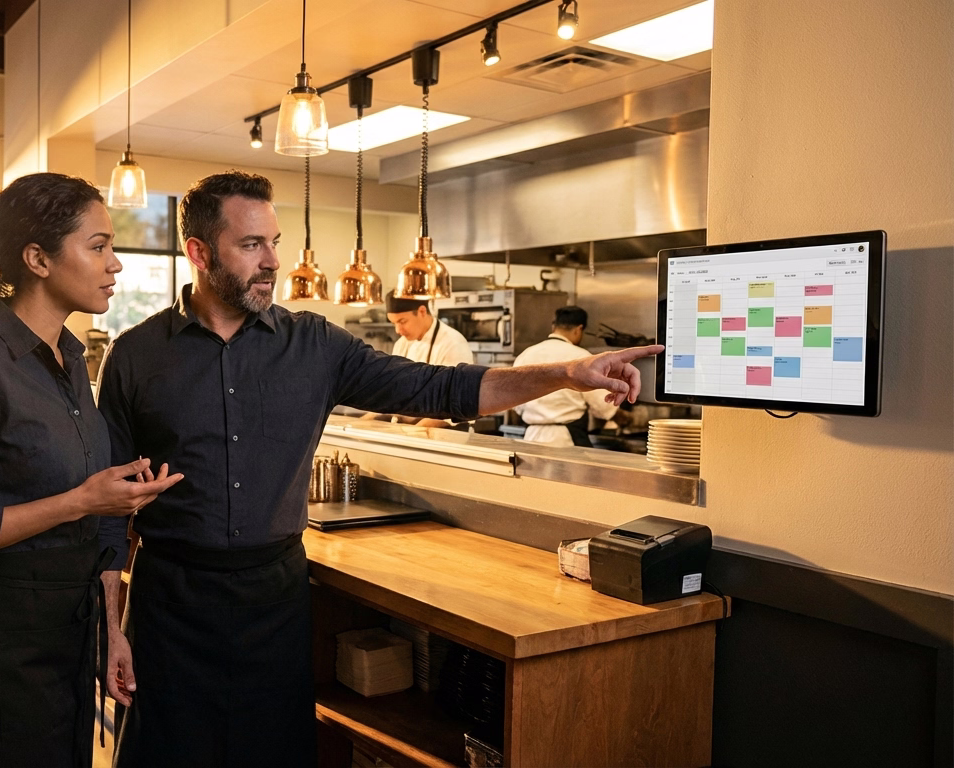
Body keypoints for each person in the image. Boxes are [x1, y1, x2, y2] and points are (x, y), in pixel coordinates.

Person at [95, 171, 659, 768]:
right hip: (171, 605)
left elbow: (437, 387)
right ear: (199, 253)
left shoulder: (315, 346)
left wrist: (565, 374)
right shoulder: (135, 355)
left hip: (275, 601)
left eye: (275, 242)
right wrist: (111, 629)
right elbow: (105, 518)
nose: (272, 262)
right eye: (252, 245)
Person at [0, 172, 182, 768]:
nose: (116, 265)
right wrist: (81, 501)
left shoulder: (73, 359)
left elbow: (92, 516)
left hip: (69, 636)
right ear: (37, 258)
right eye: (99, 246)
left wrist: (110, 631)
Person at [512, 305, 631, 447]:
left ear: (553, 327)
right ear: (578, 329)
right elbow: (602, 404)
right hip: (566, 440)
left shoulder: (526, 355)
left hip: (531, 437)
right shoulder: (580, 357)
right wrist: (625, 418)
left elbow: (515, 402)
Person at [367, 289, 475, 427]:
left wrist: (411, 438)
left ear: (422, 311)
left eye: (402, 321)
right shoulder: (402, 344)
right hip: (409, 431)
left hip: (446, 435)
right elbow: (392, 394)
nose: (398, 330)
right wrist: (361, 423)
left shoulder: (453, 343)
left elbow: (453, 407)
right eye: (394, 323)